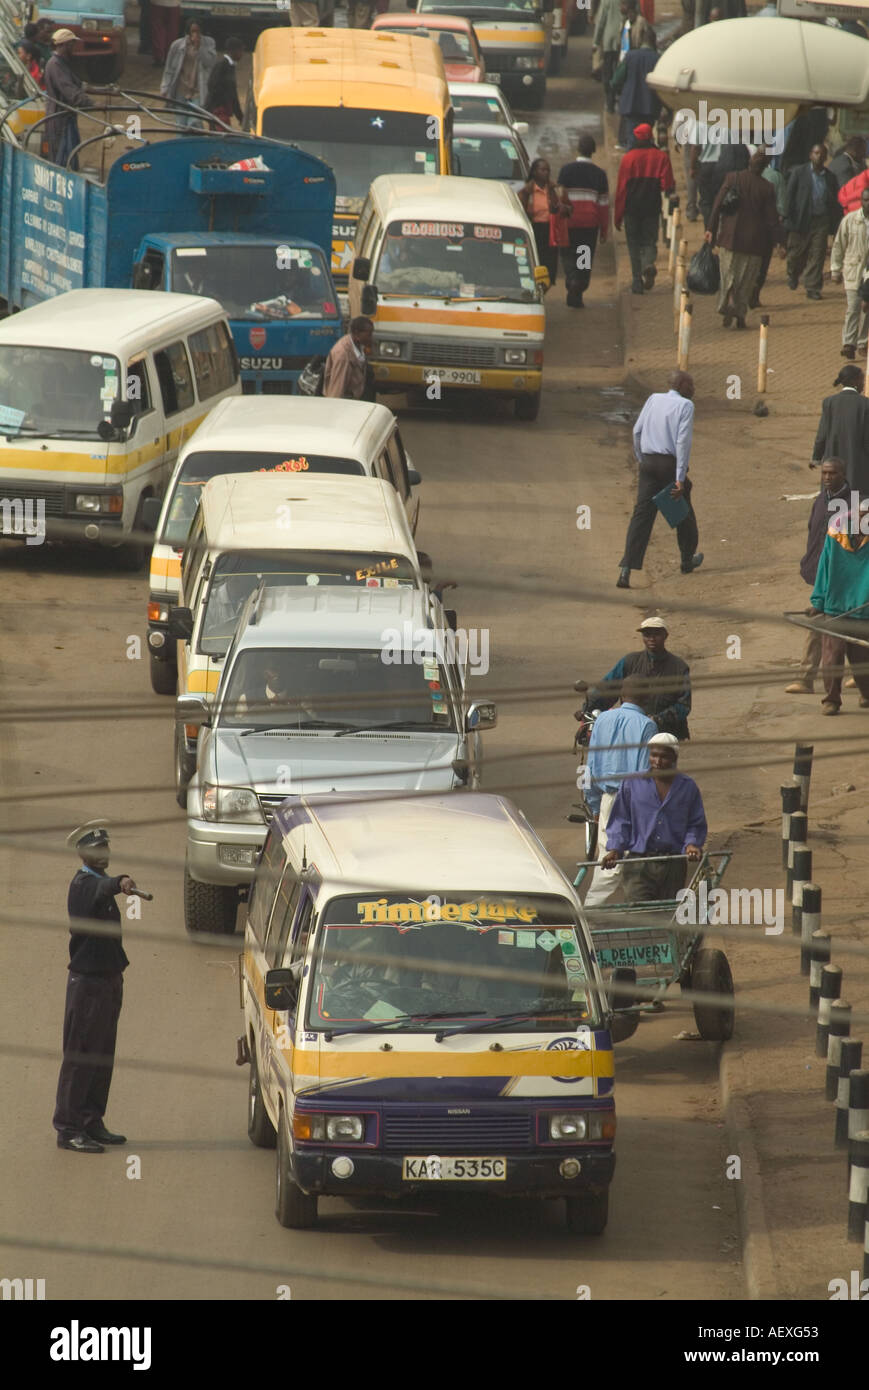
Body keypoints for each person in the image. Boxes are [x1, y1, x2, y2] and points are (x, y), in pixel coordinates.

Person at [53, 823, 138, 1153]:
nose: (103, 854)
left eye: (106, 848)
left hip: (107, 981)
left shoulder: (97, 883)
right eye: (96, 850)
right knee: (80, 1057)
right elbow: (103, 889)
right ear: (83, 853)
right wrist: (120, 882)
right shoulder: (82, 885)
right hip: (87, 986)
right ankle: (68, 1128)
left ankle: (91, 1121)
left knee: (102, 1056)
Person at [617, 370, 702, 587]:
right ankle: (686, 561)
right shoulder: (685, 406)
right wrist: (680, 478)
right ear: (681, 385)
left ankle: (626, 570)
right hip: (668, 465)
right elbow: (683, 442)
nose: (693, 389)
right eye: (691, 385)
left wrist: (641, 459)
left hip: (648, 464)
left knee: (642, 516)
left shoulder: (654, 399)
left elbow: (637, 431)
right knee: (683, 511)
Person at [601, 733, 707, 902]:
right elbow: (621, 820)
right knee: (640, 915)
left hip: (673, 864)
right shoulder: (632, 783)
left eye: (664, 757)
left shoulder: (688, 787)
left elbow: (695, 822)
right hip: (638, 863)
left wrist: (692, 844)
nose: (657, 762)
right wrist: (615, 849)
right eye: (654, 755)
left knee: (666, 916)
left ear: (674, 757)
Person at [583, 676, 658, 908]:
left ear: (622, 696)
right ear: (647, 697)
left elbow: (592, 766)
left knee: (610, 857)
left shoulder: (603, 719)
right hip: (633, 801)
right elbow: (646, 771)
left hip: (607, 798)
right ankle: (588, 918)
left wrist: (595, 806)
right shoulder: (647, 725)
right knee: (615, 864)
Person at [786, 458, 849, 696]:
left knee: (827, 624)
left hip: (842, 579)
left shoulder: (853, 504)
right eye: (824, 473)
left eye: (832, 473)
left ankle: (806, 678)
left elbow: (854, 549)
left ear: (843, 474)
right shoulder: (821, 500)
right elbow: (813, 534)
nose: (827, 478)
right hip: (820, 575)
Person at [705, 149, 784, 329]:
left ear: (749, 161)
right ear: (765, 167)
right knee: (747, 280)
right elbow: (772, 219)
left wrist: (711, 228)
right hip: (755, 242)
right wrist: (780, 241)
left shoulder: (733, 178)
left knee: (729, 274)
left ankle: (731, 299)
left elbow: (717, 203)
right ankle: (740, 316)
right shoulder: (767, 187)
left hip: (730, 238)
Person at [584, 616, 692, 738]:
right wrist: (588, 708)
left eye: (656, 634)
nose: (651, 638)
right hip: (632, 729)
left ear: (665, 635)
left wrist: (658, 719)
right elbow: (608, 688)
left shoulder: (679, 667)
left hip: (665, 733)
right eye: (647, 634)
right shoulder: (630, 661)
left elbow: (684, 705)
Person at [809, 496, 869, 713]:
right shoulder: (836, 534)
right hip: (836, 606)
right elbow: (824, 568)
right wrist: (818, 601)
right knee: (832, 656)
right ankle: (831, 699)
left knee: (862, 658)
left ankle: (866, 693)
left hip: (864, 609)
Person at [613, 122, 674, 294]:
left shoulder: (628, 159)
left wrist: (617, 216)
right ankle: (648, 263)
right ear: (651, 137)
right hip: (652, 207)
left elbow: (621, 190)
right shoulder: (661, 157)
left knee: (633, 244)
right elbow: (667, 184)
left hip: (631, 209)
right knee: (649, 241)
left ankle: (636, 281)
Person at [556, 134, 609, 309]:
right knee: (584, 256)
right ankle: (578, 286)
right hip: (589, 225)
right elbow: (603, 205)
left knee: (567, 254)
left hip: (568, 222)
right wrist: (603, 230)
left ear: (578, 149)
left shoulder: (565, 170)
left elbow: (559, 197)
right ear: (593, 152)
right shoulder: (600, 174)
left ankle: (572, 280)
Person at [784, 143, 842, 300]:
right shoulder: (799, 173)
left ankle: (813, 287)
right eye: (816, 153)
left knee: (817, 254)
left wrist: (835, 223)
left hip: (821, 220)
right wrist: (786, 217)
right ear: (811, 155)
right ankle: (793, 274)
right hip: (801, 219)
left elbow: (835, 202)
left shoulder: (830, 177)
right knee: (796, 254)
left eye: (822, 154)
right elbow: (789, 197)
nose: (819, 157)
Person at [812, 364, 869, 494]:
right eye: (862, 380)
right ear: (855, 381)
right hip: (857, 463)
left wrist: (816, 457)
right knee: (855, 502)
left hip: (833, 458)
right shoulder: (866, 404)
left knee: (833, 501)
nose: (863, 384)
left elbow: (822, 434)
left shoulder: (829, 402)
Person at [43, 30, 94, 170]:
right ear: (64, 45)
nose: (74, 48)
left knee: (69, 156)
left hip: (65, 117)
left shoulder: (62, 63)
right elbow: (70, 92)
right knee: (61, 160)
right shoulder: (55, 65)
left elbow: (77, 85)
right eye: (72, 45)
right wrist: (91, 104)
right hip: (59, 119)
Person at [829, 186, 869, 362]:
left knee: (866, 308)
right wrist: (835, 269)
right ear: (862, 201)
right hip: (853, 270)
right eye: (866, 200)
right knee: (853, 307)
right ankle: (848, 343)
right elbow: (839, 245)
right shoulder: (851, 220)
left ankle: (862, 342)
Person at [518, 158, 566, 288]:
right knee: (535, 264)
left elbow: (568, 210)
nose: (546, 173)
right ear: (534, 172)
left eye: (548, 170)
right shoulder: (526, 192)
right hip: (534, 231)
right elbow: (520, 213)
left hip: (550, 232)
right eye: (542, 170)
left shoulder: (555, 190)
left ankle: (545, 287)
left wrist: (561, 208)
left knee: (549, 268)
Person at [160, 21, 217, 128]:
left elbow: (210, 63)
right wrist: (165, 87)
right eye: (193, 31)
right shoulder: (177, 45)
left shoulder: (209, 43)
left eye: (198, 31)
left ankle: (196, 141)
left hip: (198, 90)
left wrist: (199, 48)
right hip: (181, 89)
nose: (195, 34)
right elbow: (169, 69)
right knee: (181, 124)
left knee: (194, 122)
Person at [611, 28, 659, 151]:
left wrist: (621, 92)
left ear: (641, 41)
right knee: (647, 142)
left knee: (632, 141)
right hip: (650, 107)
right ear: (654, 42)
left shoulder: (630, 56)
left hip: (630, 106)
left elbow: (616, 80)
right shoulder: (657, 59)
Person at [323, 316, 374, 399]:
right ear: (357, 333)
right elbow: (336, 390)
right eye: (369, 335)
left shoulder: (357, 345)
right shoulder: (343, 356)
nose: (371, 338)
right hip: (345, 402)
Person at [593, 0, 625, 114]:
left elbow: (601, 21)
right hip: (623, 41)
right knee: (621, 71)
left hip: (609, 41)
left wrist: (596, 42)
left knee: (607, 73)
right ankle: (620, 99)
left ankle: (610, 102)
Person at [205, 35, 244, 126]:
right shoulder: (223, 66)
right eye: (241, 51)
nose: (242, 54)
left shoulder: (229, 66)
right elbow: (212, 86)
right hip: (218, 110)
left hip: (220, 110)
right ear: (233, 51)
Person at [150, 0, 181, 67]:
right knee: (172, 30)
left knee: (158, 29)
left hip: (158, 3)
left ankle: (159, 57)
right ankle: (170, 57)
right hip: (174, 3)